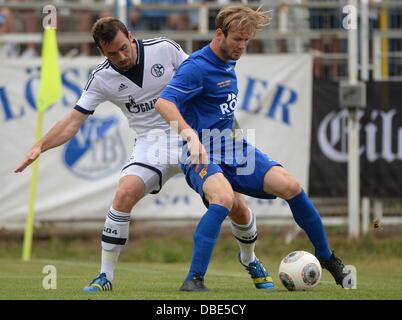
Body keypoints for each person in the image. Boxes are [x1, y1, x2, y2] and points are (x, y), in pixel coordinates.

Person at [14, 17, 272, 292]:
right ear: (102, 52)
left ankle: (249, 259)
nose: (121, 56)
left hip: (191, 134)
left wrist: (225, 134)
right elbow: (73, 121)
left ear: (131, 36)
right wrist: (40, 146)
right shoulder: (101, 78)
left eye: (124, 47)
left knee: (236, 205)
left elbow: (203, 78)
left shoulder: (164, 49)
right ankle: (105, 276)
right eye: (112, 53)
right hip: (152, 144)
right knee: (123, 194)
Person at [155, 5, 353, 291]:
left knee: (291, 186)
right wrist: (191, 137)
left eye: (247, 40)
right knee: (223, 199)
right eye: (237, 39)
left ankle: (328, 258)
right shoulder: (197, 66)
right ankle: (194, 279)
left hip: (231, 147)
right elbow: (164, 102)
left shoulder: (228, 61)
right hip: (200, 152)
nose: (242, 46)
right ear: (219, 34)